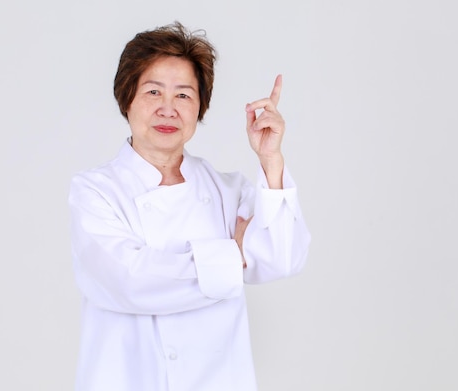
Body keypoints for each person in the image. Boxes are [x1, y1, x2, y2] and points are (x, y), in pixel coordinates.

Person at [68, 21, 311, 391]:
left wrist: (271, 160)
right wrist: (234, 254)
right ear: (126, 98)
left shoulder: (227, 189)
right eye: (153, 92)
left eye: (183, 95)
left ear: (200, 107)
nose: (168, 109)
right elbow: (130, 280)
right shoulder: (95, 191)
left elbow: (281, 258)